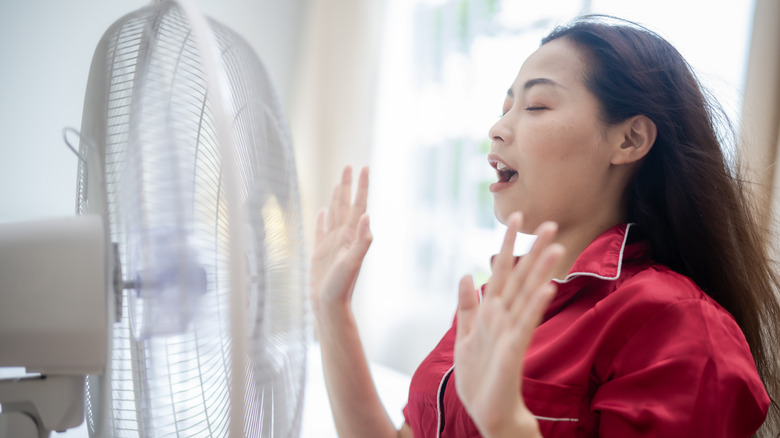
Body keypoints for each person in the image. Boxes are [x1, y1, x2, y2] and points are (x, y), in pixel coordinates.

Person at [310, 15, 780, 438]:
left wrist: (507, 424)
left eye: (536, 106)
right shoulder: (497, 301)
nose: (497, 128)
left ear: (630, 139)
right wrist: (333, 312)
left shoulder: (680, 325)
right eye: (505, 106)